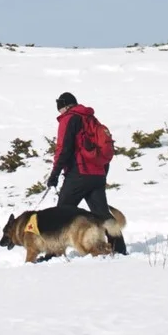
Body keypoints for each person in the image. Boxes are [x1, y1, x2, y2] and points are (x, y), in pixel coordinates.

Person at [45, 93, 125, 254]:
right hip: (97, 175)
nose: (60, 113)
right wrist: (101, 173)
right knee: (102, 214)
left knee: (61, 213)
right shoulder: (91, 119)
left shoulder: (69, 119)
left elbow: (64, 149)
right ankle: (120, 248)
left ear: (65, 106)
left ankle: (54, 253)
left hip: (79, 174)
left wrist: (54, 174)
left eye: (60, 108)